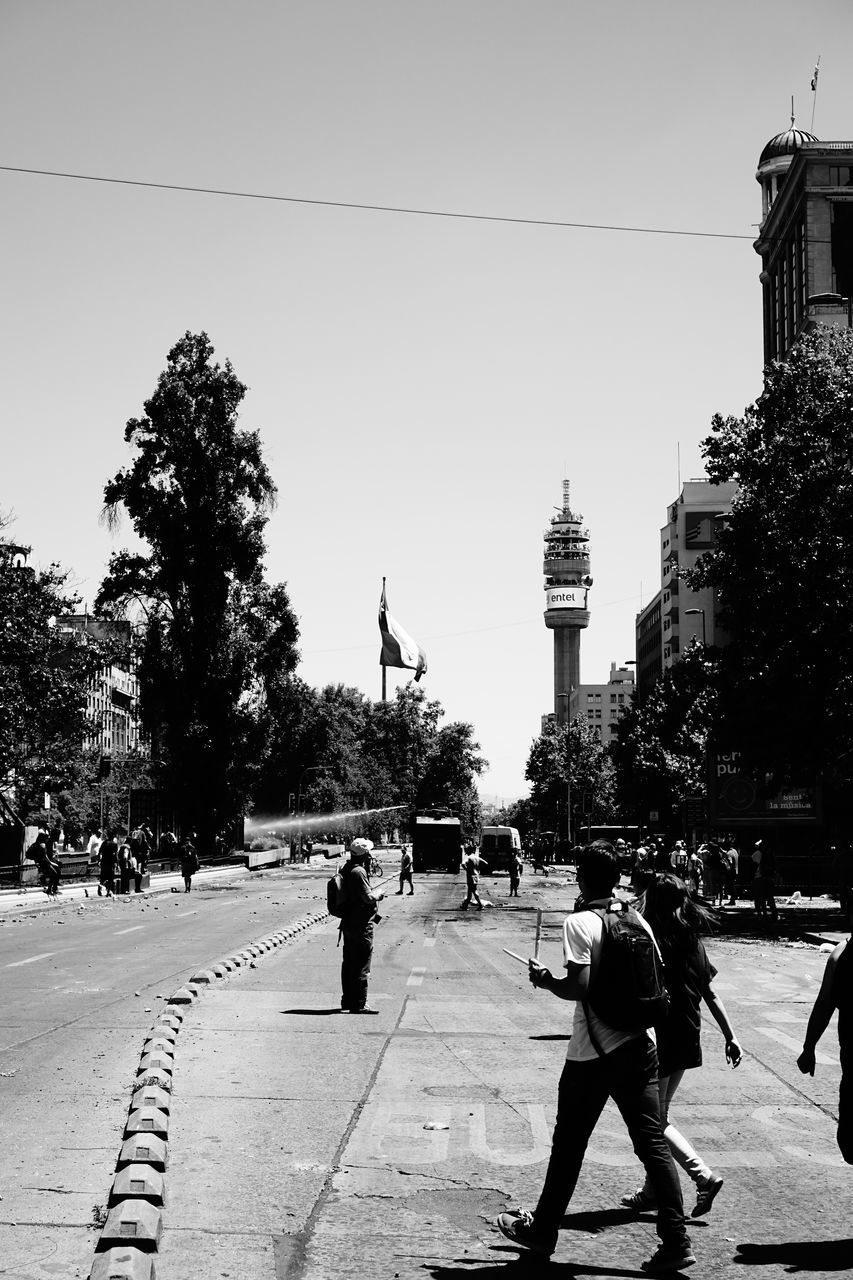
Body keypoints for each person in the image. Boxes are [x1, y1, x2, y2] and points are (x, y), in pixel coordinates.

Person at [496, 843, 695, 1274]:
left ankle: (543, 1232)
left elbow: (579, 986)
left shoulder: (580, 923)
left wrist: (546, 980)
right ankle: (676, 1241)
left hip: (592, 1055)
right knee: (652, 1144)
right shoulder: (636, 918)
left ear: (582, 878)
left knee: (568, 1147)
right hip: (640, 1047)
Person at [620, 873, 743, 1220]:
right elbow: (710, 992)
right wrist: (731, 1036)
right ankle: (652, 1191)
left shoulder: (645, 937)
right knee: (658, 1113)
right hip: (688, 1032)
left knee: (653, 1121)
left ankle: (702, 1176)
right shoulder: (691, 939)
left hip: (659, 1037)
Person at [797, 900, 853, 1163]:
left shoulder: (841, 953)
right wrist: (809, 1046)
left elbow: (824, 1004)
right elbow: (824, 1004)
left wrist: (809, 1047)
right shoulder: (840, 954)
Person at [339, 837, 385, 1013]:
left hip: (349, 923)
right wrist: (378, 894)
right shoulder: (359, 872)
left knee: (349, 963)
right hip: (361, 924)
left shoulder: (347, 868)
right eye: (369, 852)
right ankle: (359, 1003)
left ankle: (348, 1001)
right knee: (362, 964)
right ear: (364, 854)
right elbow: (367, 898)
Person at [751, 840, 778, 926]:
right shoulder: (770, 855)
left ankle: (762, 915)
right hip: (768, 878)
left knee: (759, 897)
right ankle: (773, 914)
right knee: (769, 897)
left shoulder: (760, 854)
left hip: (760, 878)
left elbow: (755, 866)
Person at [28, 831, 61, 896]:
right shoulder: (42, 845)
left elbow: (34, 856)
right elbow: (45, 857)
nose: (47, 840)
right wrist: (52, 863)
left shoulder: (35, 844)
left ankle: (50, 889)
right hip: (45, 863)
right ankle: (51, 889)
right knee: (55, 873)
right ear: (43, 838)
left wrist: (36, 862)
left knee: (55, 873)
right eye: (47, 838)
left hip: (41, 863)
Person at [98, 830, 118, 897]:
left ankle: (100, 887)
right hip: (111, 863)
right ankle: (108, 892)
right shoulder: (114, 844)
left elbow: (100, 852)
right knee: (110, 879)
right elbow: (115, 855)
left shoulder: (104, 843)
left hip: (104, 862)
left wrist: (99, 860)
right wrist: (116, 863)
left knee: (102, 877)